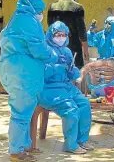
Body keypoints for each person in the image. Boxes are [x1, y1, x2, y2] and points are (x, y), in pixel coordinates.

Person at [0, 0, 58, 161]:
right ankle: (16, 151)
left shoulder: (15, 20)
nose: (41, 14)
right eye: (40, 10)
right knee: (21, 113)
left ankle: (23, 146)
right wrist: (53, 55)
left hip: (11, 70)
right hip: (23, 73)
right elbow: (38, 49)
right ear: (33, 9)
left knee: (22, 111)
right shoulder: (29, 22)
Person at [38, 21, 93, 154]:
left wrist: (74, 73)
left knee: (85, 104)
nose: (61, 37)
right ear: (51, 35)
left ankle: (81, 140)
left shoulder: (67, 51)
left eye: (64, 34)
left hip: (66, 87)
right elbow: (40, 72)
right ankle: (70, 145)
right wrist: (57, 67)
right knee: (71, 109)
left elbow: (72, 69)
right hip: (48, 89)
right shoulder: (44, 50)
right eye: (57, 34)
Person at [47, 0, 89, 68]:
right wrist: (86, 52)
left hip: (56, 49)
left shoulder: (52, 6)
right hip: (74, 50)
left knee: (58, 74)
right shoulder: (78, 8)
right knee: (75, 76)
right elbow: (82, 33)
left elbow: (50, 28)